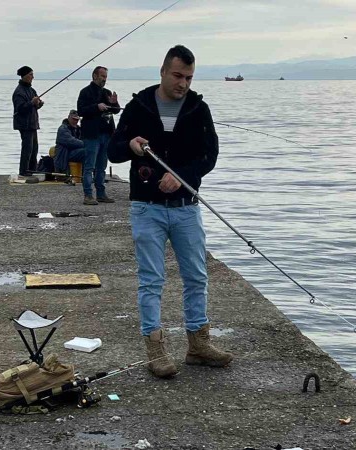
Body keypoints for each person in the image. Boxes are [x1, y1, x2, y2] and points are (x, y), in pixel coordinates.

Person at [107, 45, 232, 378]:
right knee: (152, 281)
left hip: (186, 209)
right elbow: (113, 150)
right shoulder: (138, 106)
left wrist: (183, 177)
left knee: (196, 277)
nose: (183, 84)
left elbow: (210, 156)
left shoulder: (198, 109)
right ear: (163, 71)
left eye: (189, 77)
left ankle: (198, 345)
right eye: (178, 75)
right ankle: (155, 350)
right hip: (146, 208)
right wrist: (131, 146)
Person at [77, 66, 120, 205]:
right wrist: (97, 107)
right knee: (89, 166)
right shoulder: (85, 92)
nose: (104, 79)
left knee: (102, 166)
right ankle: (88, 195)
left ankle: (101, 193)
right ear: (94, 76)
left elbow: (115, 111)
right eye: (102, 76)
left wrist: (114, 103)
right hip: (91, 135)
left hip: (106, 134)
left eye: (106, 77)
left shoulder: (107, 92)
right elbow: (81, 111)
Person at [13, 66, 43, 176]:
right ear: (24, 76)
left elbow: (34, 106)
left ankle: (32, 170)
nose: (32, 77)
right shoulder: (19, 92)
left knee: (34, 149)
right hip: (24, 125)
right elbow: (20, 109)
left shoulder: (31, 90)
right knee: (27, 150)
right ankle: (24, 171)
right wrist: (32, 103)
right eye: (30, 74)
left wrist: (39, 103)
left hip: (33, 124)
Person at [54, 109, 86, 174]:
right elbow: (71, 141)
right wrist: (86, 144)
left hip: (73, 152)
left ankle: (90, 174)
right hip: (65, 154)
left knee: (92, 151)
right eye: (73, 119)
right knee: (85, 151)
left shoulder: (78, 129)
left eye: (77, 120)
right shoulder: (63, 129)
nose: (75, 121)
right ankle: (85, 176)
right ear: (69, 117)